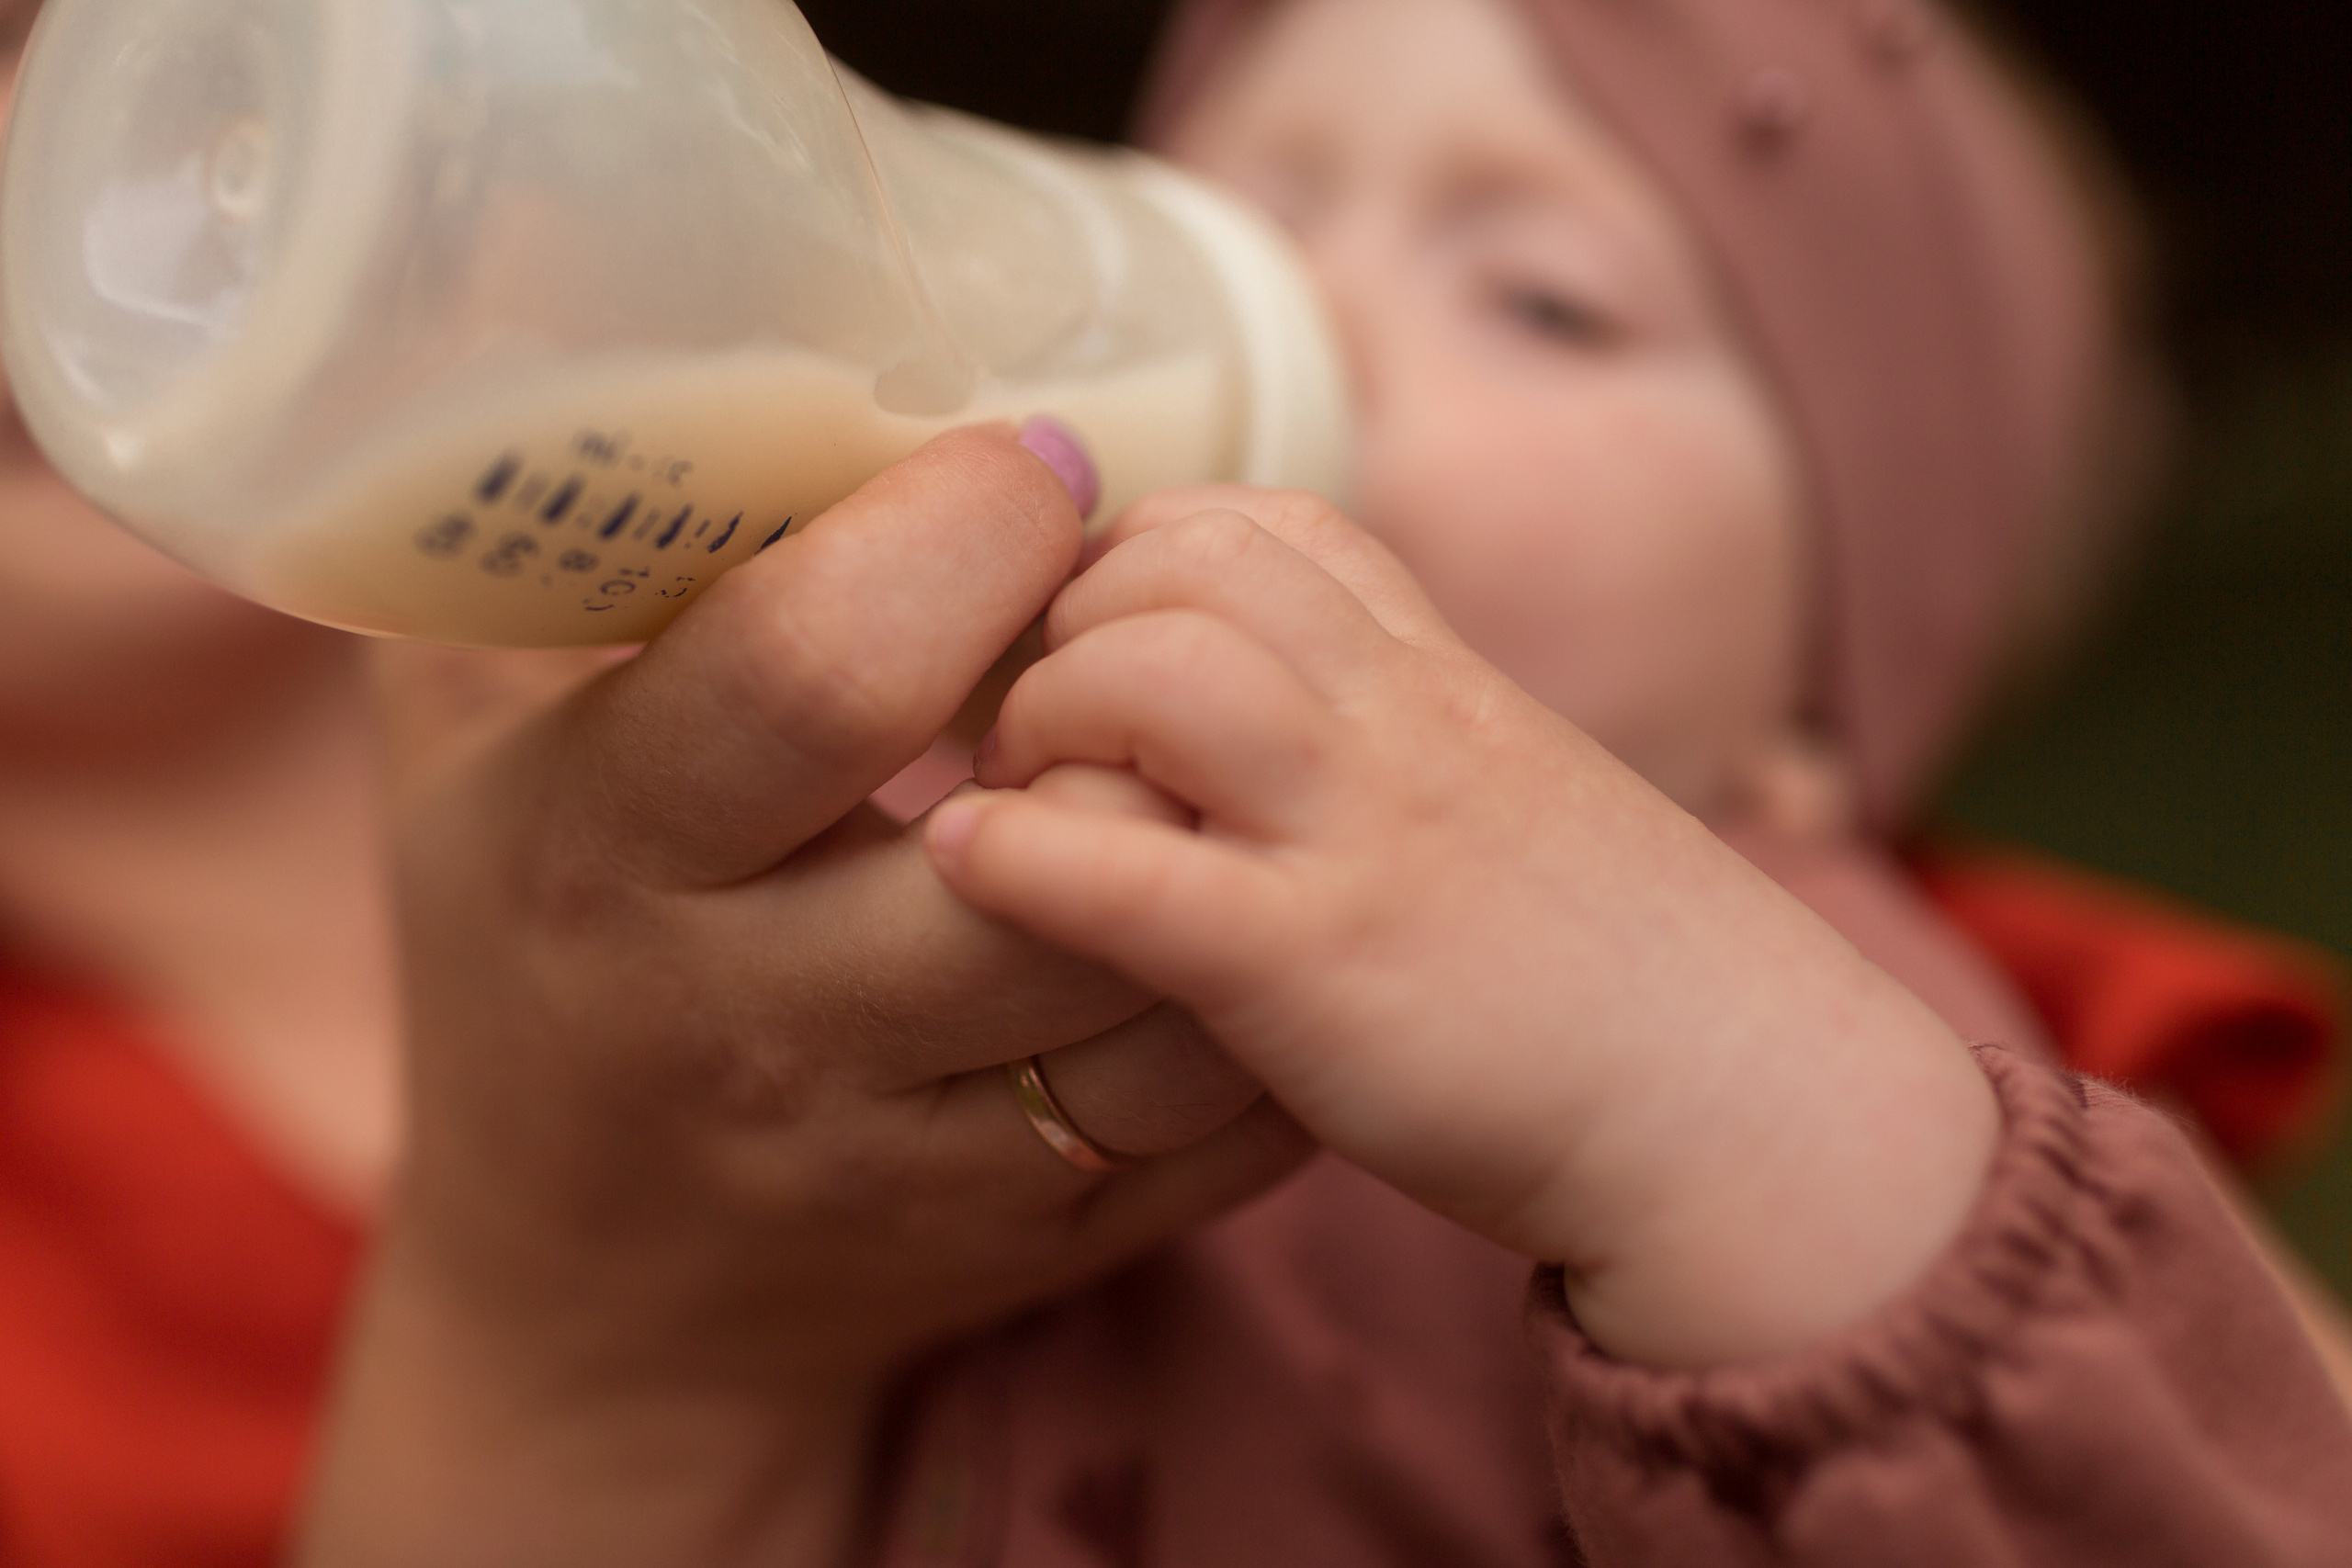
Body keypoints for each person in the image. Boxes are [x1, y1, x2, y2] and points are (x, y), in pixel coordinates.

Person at [0, 2, 2346, 1566]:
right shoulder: (806, 904)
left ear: (1795, 738)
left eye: (1535, 294)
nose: (1306, 320)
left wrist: (1733, 1099)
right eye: (1244, 206)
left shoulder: (1864, 1032)